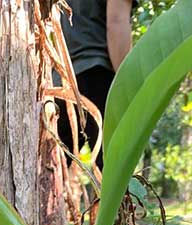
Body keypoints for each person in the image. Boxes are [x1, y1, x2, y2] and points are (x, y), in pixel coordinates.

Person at [56, 0, 135, 169]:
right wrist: (126, 87)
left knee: (54, 169)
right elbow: (117, 20)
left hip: (60, 82)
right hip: (98, 75)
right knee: (113, 171)